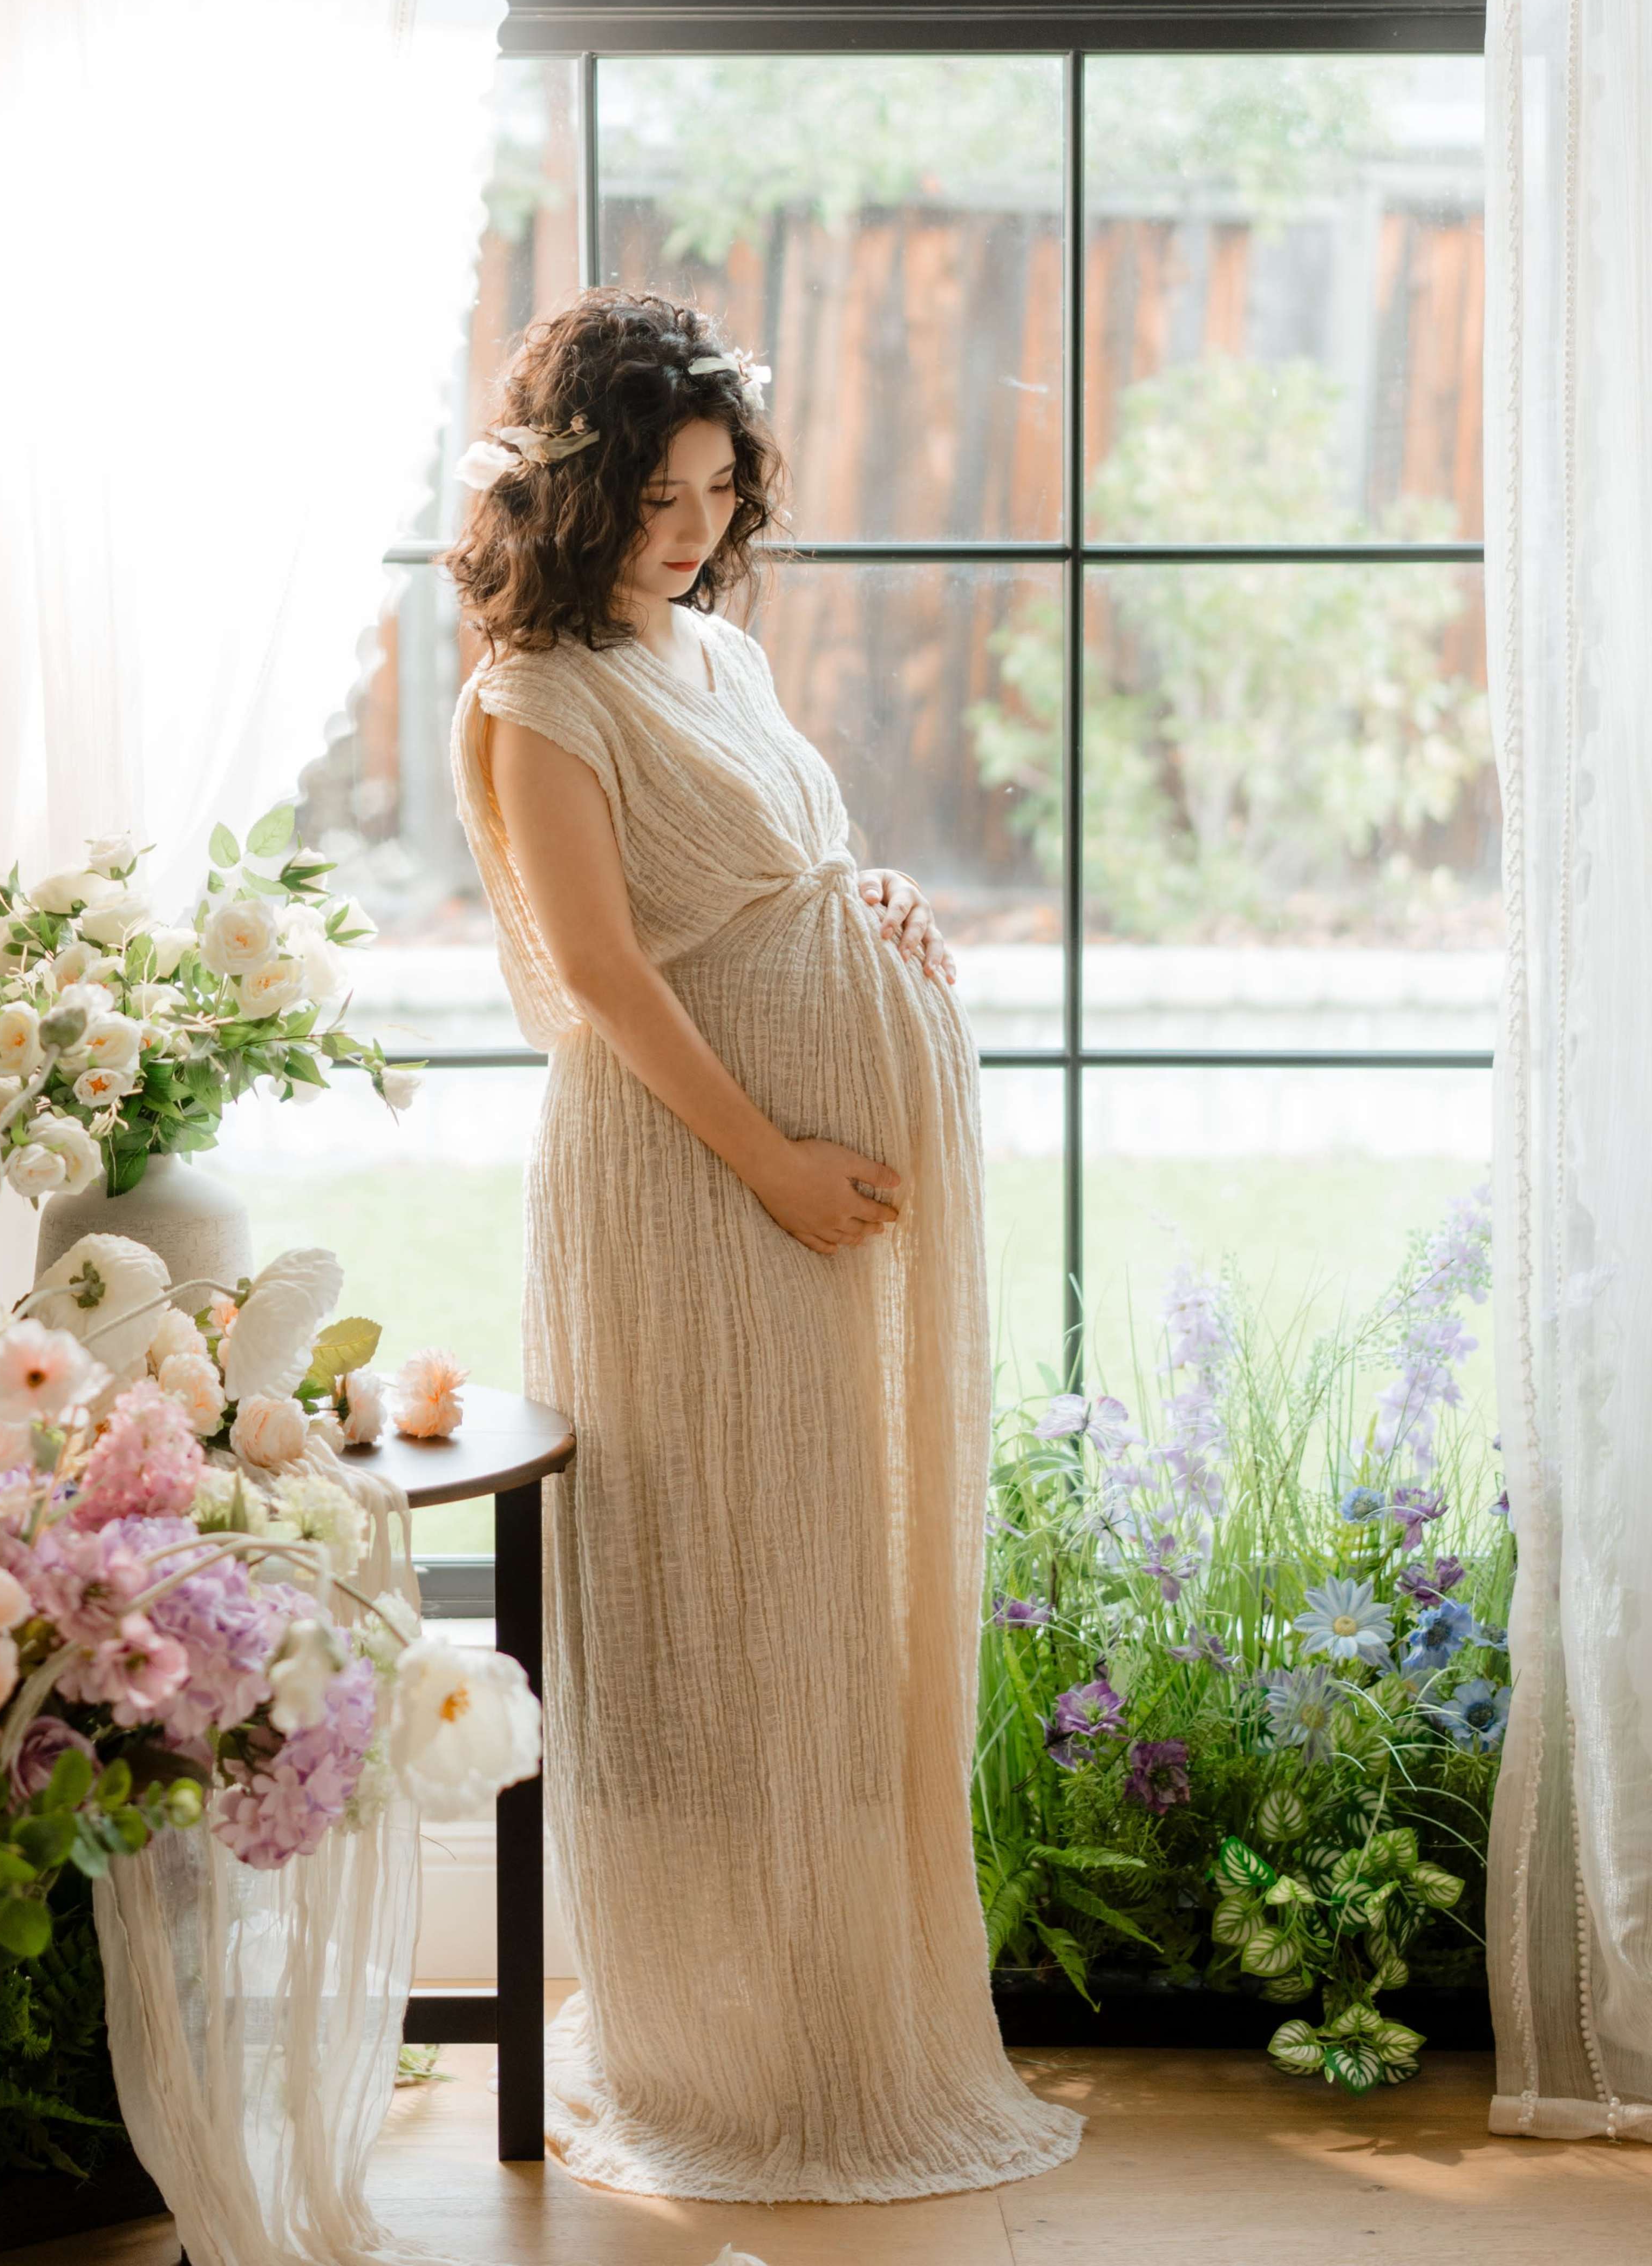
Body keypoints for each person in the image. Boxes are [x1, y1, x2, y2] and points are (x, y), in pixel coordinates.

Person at [446, 288, 1082, 2203]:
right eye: (655, 492)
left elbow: (761, 871)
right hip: (691, 1181)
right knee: (714, 1599)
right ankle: (719, 2048)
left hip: (798, 1196)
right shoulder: (538, 689)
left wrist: (863, 886)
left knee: (822, 1583)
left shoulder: (708, 655)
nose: (692, 526)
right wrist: (779, 1165)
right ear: (574, 490)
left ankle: (829, 2015)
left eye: (720, 489)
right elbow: (609, 973)